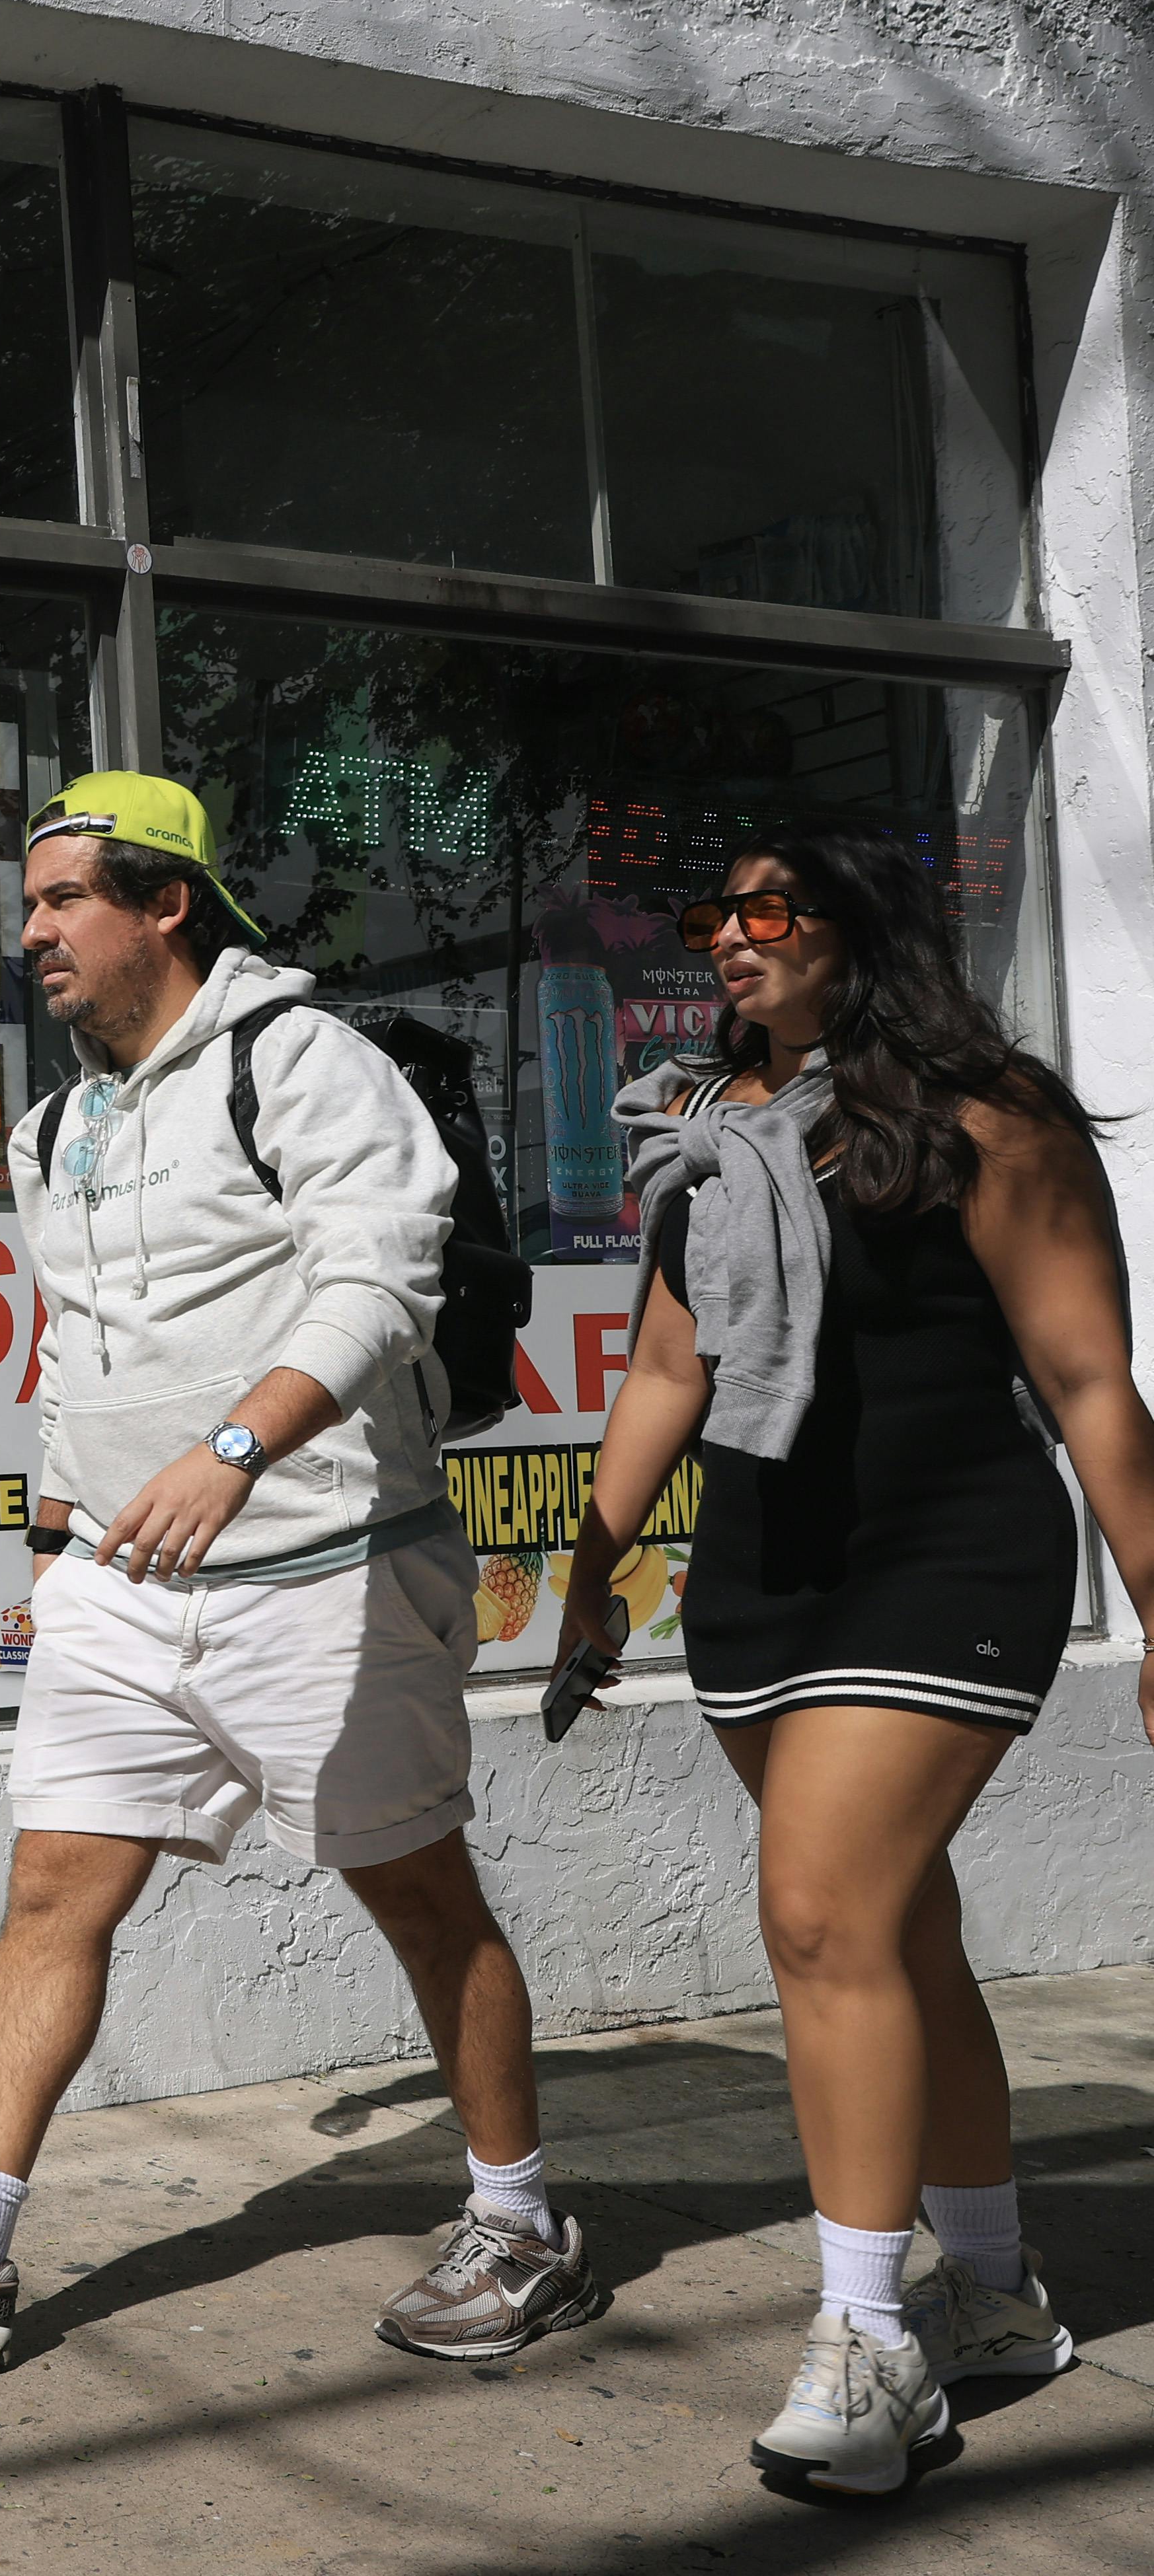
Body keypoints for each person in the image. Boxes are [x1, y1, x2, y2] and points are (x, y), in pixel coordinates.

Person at [0, 770, 598, 2367]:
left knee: (421, 1895)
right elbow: (79, 1349)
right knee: (53, 1887)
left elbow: (382, 1278)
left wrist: (235, 1450)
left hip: (326, 1562)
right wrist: (54, 1526)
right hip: (121, 1586)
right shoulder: (57, 1124)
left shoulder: (303, 1062)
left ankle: (521, 2221)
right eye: (28, 903)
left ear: (168, 905)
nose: (35, 933)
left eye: (65, 898)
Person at [553, 819, 1154, 2496]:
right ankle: (996, 2294)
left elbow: (1091, 1377)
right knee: (896, 1927)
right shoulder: (715, 1129)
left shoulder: (990, 1116)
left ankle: (868, 2334)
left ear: (857, 932)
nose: (732, 939)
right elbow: (671, 1369)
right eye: (714, 917)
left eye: (769, 909)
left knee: (819, 1913)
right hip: (764, 1577)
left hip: (947, 1554)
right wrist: (595, 1562)